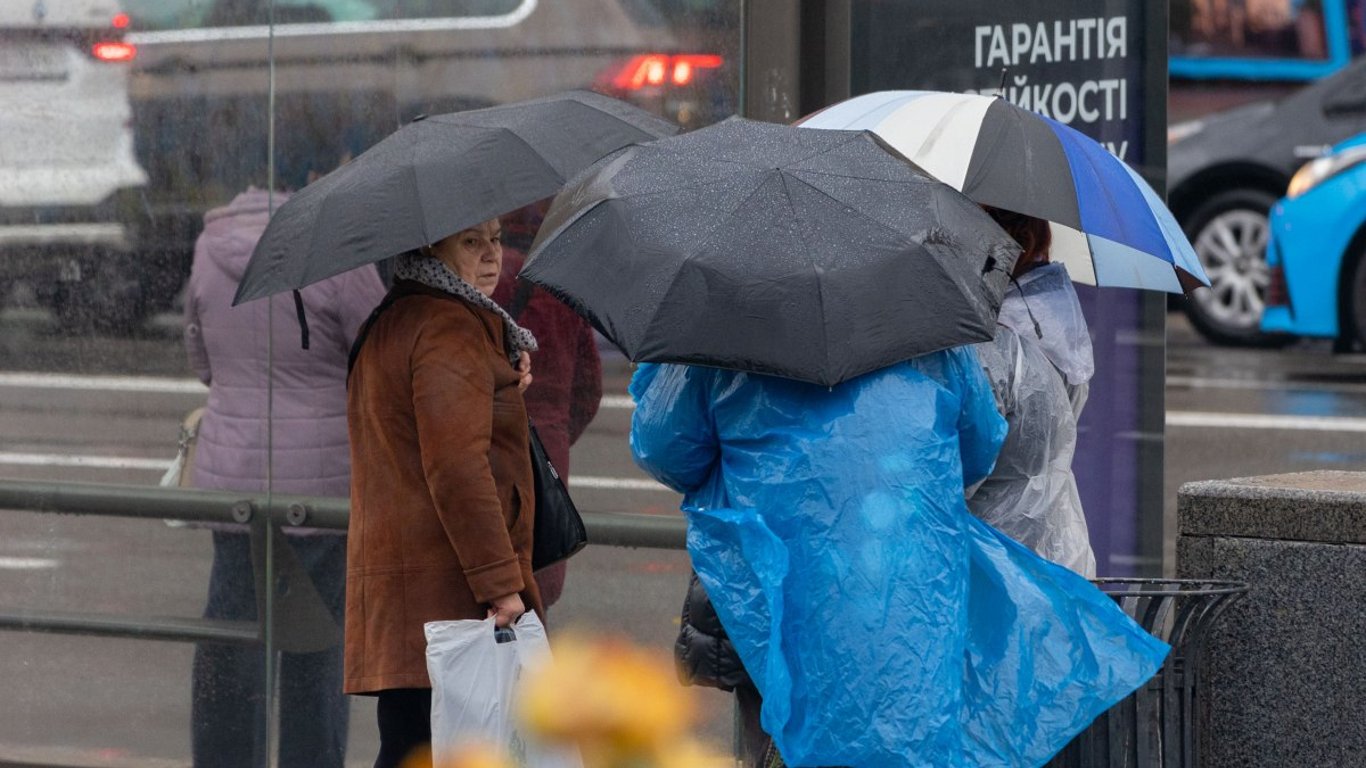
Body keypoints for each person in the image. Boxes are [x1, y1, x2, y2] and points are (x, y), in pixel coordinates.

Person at [631, 351, 1169, 766]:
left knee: (788, 724)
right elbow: (979, 446)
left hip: (779, 587)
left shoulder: (722, 326)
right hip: (908, 585)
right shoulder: (924, 318)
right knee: (909, 724)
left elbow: (665, 449)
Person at [184, 185, 387, 768]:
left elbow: (200, 357)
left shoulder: (209, 243)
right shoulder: (330, 250)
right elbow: (377, 350)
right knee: (316, 648)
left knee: (231, 637)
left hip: (234, 481)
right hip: (319, 489)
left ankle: (224, 758)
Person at [344, 218, 542, 768]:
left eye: (497, 239)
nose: (491, 255)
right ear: (432, 248)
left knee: (412, 746)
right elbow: (457, 468)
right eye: (471, 242)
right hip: (447, 593)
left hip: (407, 590)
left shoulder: (397, 315)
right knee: (434, 751)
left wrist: (498, 370)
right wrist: (502, 586)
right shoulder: (448, 327)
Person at [968, 208, 1097, 576]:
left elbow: (963, 469)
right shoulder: (1055, 324)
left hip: (991, 557)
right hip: (1056, 547)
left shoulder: (998, 348)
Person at [493, 201, 603, 610]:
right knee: (538, 581)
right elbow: (589, 388)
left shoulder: (482, 277)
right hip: (547, 442)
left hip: (483, 437)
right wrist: (555, 430)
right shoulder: (561, 285)